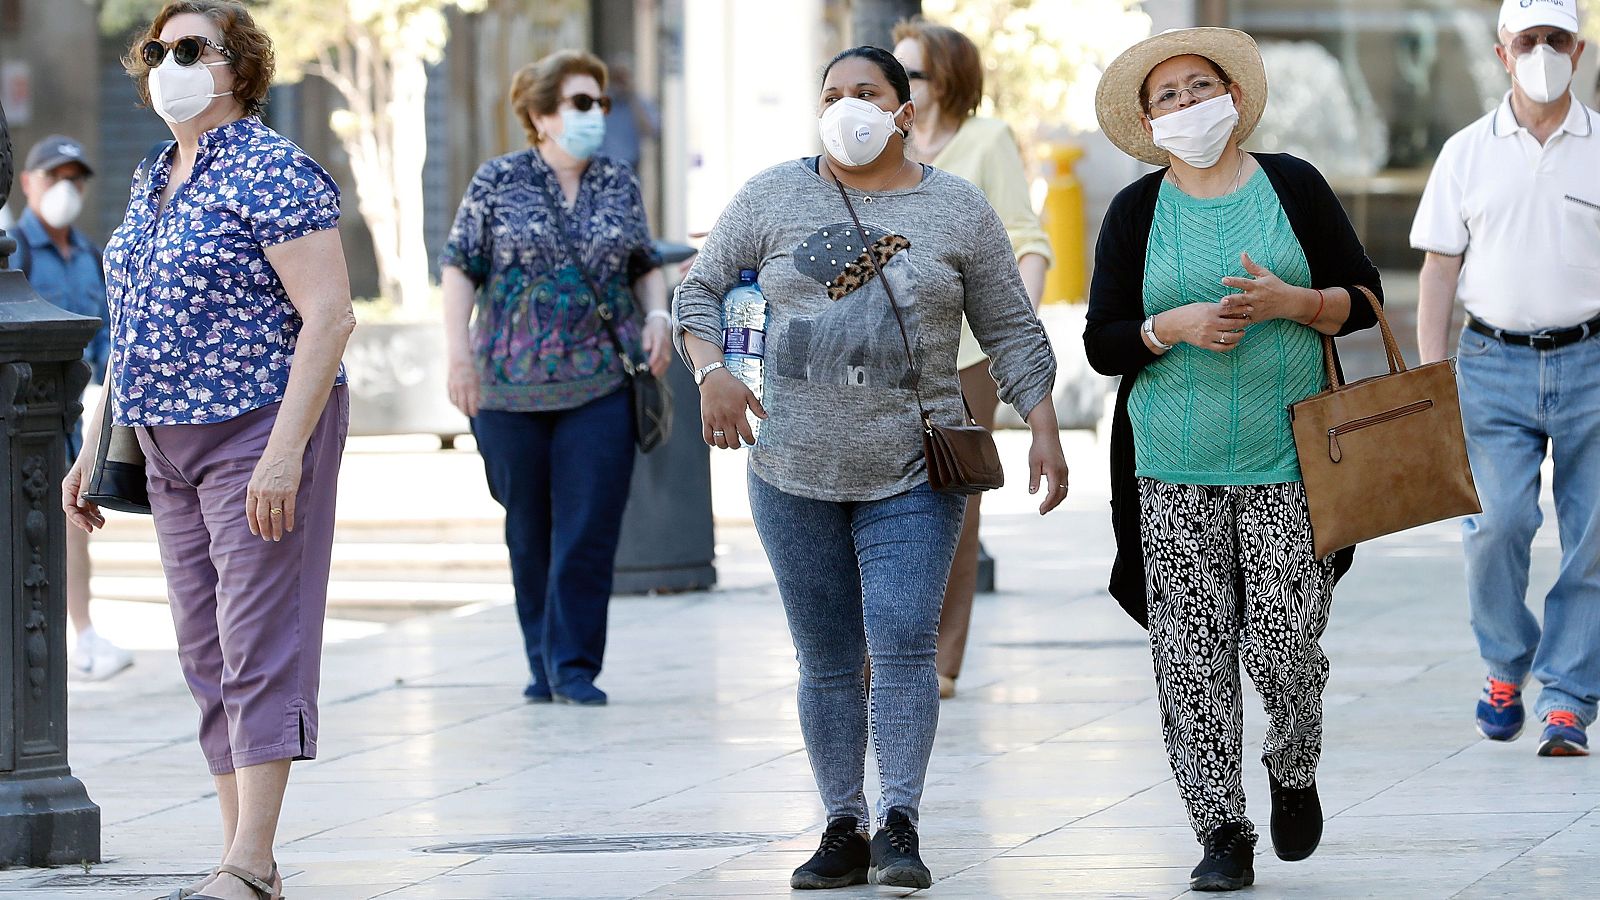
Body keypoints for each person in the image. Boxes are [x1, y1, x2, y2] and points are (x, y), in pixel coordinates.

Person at [674, 46, 1067, 891]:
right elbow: (697, 292)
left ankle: (899, 821)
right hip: (791, 470)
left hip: (914, 469)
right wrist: (712, 374)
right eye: (832, 94)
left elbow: (1009, 325)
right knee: (825, 657)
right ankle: (841, 824)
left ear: (903, 111)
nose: (845, 106)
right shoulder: (771, 196)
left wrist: (1043, 425)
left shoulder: (956, 208)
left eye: (866, 92)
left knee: (900, 639)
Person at [62, 3, 354, 899]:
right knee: (203, 651)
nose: (170, 65)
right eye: (159, 49)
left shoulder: (274, 170)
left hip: (257, 429)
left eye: (193, 49)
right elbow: (135, 324)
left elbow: (329, 317)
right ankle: (240, 857)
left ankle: (251, 861)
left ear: (242, 66)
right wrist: (95, 445)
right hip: (164, 443)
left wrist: (284, 453)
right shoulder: (156, 172)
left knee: (256, 641)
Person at [1085, 27, 1382, 892]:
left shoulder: (1292, 184)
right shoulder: (1136, 211)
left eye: (1199, 86)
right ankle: (1221, 829)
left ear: (1235, 97)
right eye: (1167, 95)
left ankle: (1293, 762)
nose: (1186, 103)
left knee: (1288, 644)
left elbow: (1364, 299)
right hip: (1169, 467)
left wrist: (1296, 303)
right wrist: (1167, 328)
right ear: (1149, 121)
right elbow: (1103, 342)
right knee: (1190, 655)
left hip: (1289, 460)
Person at [441, 49, 671, 708]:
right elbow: (460, 267)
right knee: (529, 529)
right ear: (541, 116)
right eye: (580, 103)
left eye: (600, 102)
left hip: (600, 382)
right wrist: (458, 356)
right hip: (506, 387)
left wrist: (658, 314)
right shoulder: (497, 180)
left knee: (589, 528)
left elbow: (642, 263)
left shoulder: (618, 181)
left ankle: (573, 666)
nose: (596, 114)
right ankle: (541, 662)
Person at [1411, 0, 1598, 758]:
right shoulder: (1465, 153)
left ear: (1578, 51)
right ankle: (1504, 663)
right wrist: (1431, 377)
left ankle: (1568, 697)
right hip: (1491, 364)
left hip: (1591, 361)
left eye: (1557, 39)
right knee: (1496, 525)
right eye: (1528, 40)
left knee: (1594, 537)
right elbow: (1439, 269)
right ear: (1502, 53)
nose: (1543, 52)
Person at [892, 18, 1053, 701]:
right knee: (880, 498)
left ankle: (940, 660)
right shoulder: (886, 144)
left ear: (947, 80)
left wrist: (1012, 335)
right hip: (881, 356)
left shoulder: (986, 141)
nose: (899, 86)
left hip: (964, 357)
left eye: (913, 74)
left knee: (952, 505)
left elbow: (1026, 238)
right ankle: (881, 652)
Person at [14, 134, 133, 680]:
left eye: (75, 179)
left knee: (72, 521)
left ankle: (82, 634)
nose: (65, 189)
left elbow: (110, 334)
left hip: (76, 417)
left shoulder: (90, 256)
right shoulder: (13, 252)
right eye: (54, 177)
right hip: (22, 415)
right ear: (27, 182)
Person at [596, 56, 660, 173]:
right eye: (616, 78)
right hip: (602, 166)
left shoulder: (640, 103)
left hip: (630, 166)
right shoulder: (601, 102)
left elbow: (651, 131)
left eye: (623, 78)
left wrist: (632, 99)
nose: (620, 84)